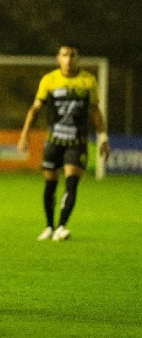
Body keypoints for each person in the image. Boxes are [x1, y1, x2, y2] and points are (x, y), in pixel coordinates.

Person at [18, 44, 110, 242]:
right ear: (58, 58)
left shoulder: (88, 81)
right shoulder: (49, 80)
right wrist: (24, 134)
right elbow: (35, 109)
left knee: (71, 183)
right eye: (64, 55)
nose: (68, 59)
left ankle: (61, 227)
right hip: (54, 141)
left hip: (76, 142)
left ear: (78, 59)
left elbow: (95, 111)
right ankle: (49, 226)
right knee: (50, 185)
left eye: (72, 55)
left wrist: (103, 138)